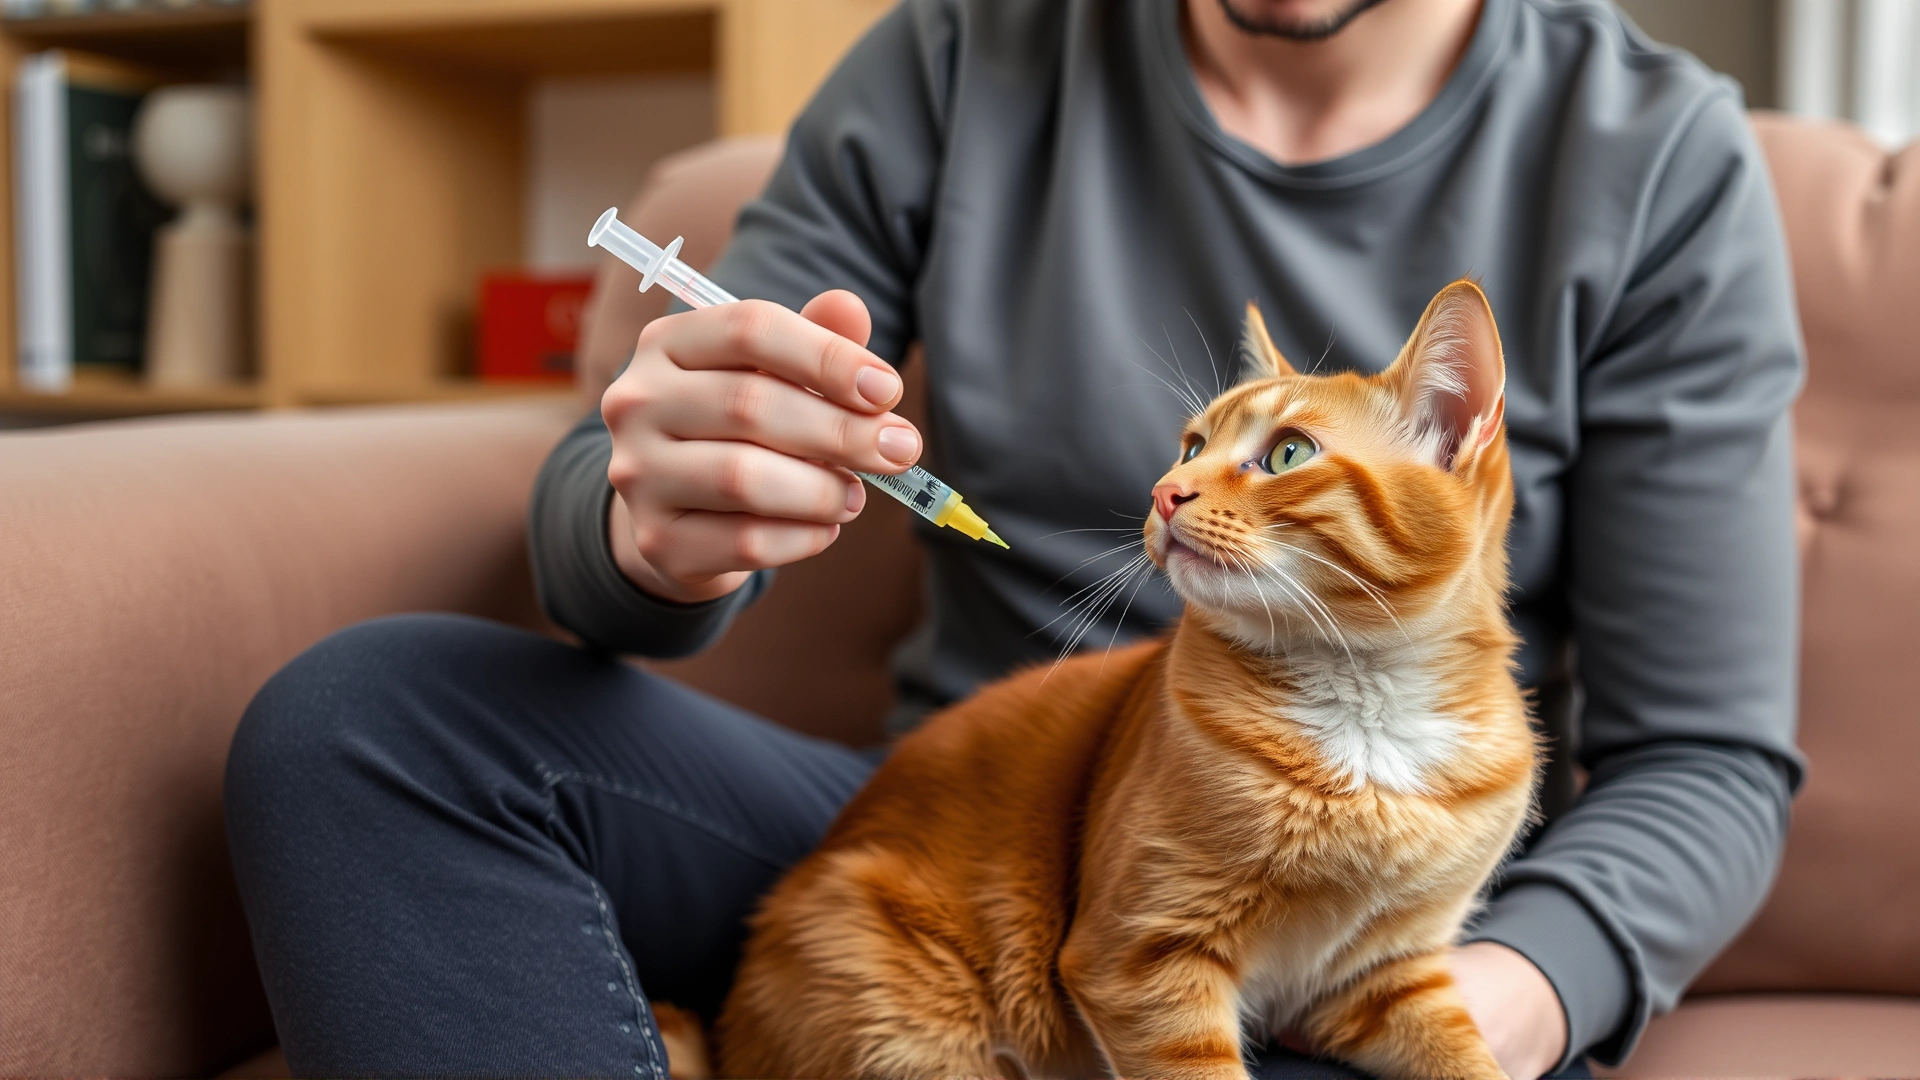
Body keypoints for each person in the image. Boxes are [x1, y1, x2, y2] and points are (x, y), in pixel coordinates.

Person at [223, 0, 1804, 1077]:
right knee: (361, 723)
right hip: (982, 838)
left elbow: (1709, 760)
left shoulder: (1654, 149)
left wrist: (1468, 1011)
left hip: (1369, 928)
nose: (1182, 483)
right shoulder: (966, 46)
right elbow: (626, 479)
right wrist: (656, 525)